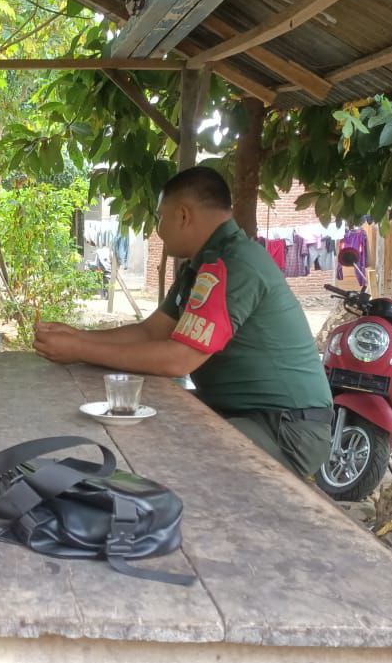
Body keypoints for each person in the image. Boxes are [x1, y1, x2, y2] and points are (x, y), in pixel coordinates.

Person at [33, 167, 332, 479]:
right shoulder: (202, 265)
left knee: (164, 457)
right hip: (243, 413)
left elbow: (179, 359)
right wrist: (78, 337)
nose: (158, 229)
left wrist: (80, 349)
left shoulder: (234, 263)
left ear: (184, 215)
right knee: (139, 420)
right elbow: (151, 332)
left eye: (161, 217)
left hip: (286, 428)